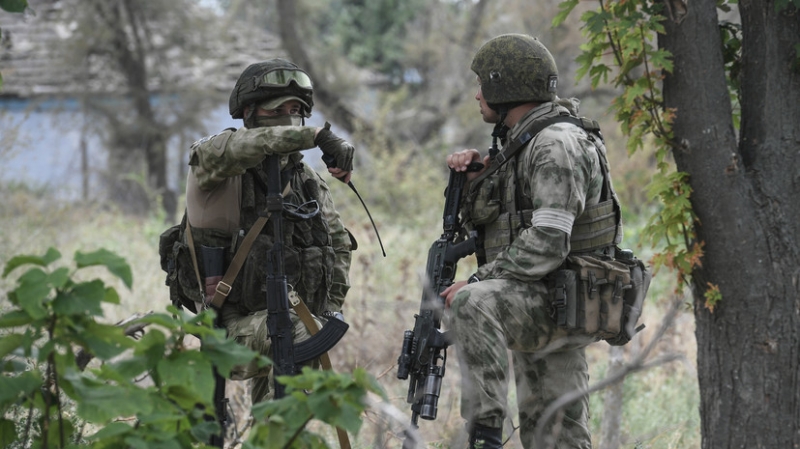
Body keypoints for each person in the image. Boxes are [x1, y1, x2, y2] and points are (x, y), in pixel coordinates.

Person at [441, 34, 624, 448]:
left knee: (472, 302)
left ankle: (484, 437)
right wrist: (474, 181)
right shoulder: (526, 141)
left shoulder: (555, 144)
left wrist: (478, 281)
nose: (477, 95)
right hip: (545, 293)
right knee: (554, 436)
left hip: (559, 297)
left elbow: (548, 240)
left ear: (504, 87)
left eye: (482, 85)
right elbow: (498, 224)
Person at [183, 58, 356, 404]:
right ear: (250, 113)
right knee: (297, 334)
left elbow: (338, 246)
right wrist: (316, 136)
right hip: (229, 330)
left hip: (287, 321)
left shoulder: (306, 180)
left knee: (281, 410)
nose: (289, 119)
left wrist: (327, 312)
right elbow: (246, 145)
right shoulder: (215, 160)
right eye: (277, 110)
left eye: (296, 111)